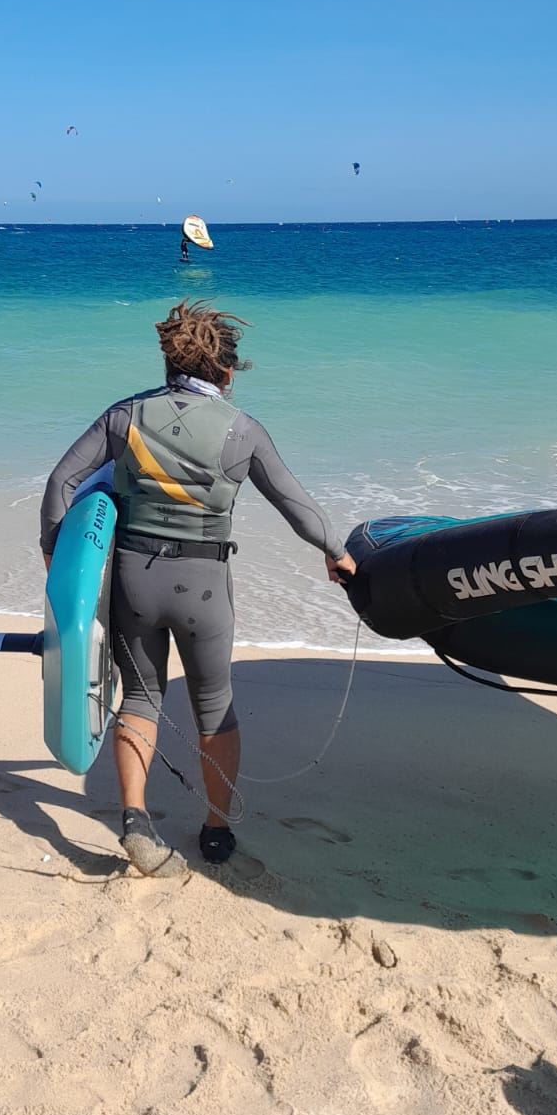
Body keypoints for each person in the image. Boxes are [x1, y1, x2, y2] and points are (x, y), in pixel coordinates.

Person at [40, 299, 355, 877]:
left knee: (138, 700)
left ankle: (134, 819)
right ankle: (215, 829)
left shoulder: (124, 416)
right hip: (204, 587)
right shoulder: (243, 431)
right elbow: (297, 507)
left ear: (168, 363)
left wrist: (55, 553)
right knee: (214, 708)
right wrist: (336, 553)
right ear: (228, 373)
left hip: (134, 579)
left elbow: (63, 481)